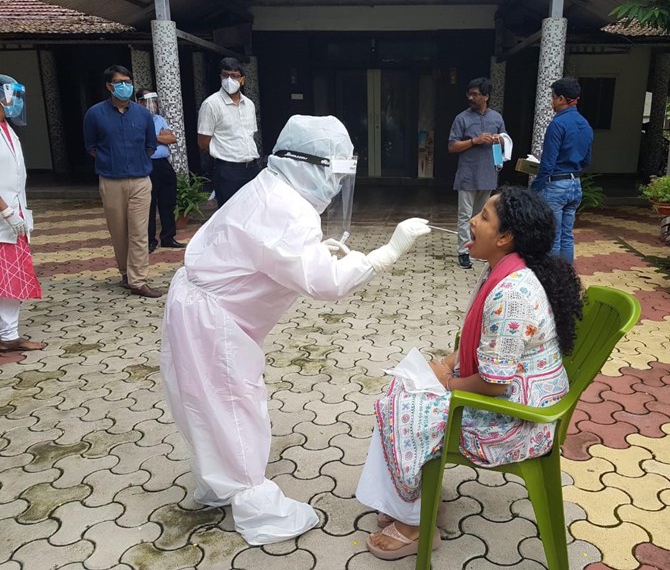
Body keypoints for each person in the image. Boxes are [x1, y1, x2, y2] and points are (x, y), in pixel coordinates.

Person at [160, 115, 430, 546]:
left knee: (207, 403)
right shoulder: (287, 209)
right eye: (333, 173)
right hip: (211, 319)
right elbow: (326, 284)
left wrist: (314, 251)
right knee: (233, 405)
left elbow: (270, 252)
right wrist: (385, 254)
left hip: (199, 305)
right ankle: (257, 508)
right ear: (308, 164)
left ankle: (217, 482)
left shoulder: (272, 187)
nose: (335, 185)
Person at [356, 186, 584, 561]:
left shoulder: (512, 294)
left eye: (484, 217)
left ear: (505, 238)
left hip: (518, 420)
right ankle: (415, 502)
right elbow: (485, 349)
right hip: (514, 396)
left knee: (401, 409)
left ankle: (415, 525)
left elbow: (493, 384)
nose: (472, 221)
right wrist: (447, 365)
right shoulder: (504, 271)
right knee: (402, 388)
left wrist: (446, 382)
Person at [83, 65, 160, 298]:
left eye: (128, 82)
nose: (125, 86)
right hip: (111, 181)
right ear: (109, 86)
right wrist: (112, 161)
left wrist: (135, 161)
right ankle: (126, 273)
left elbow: (150, 146)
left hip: (140, 180)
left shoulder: (142, 114)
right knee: (118, 232)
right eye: (120, 83)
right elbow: (91, 147)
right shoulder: (95, 114)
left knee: (139, 231)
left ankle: (138, 280)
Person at [0, 74, 44, 353]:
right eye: (11, 96)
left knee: (10, 278)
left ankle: (8, 334)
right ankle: (8, 336)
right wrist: (6, 212)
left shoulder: (8, 129)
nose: (15, 102)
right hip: (4, 217)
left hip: (13, 217)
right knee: (7, 278)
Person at [529, 77, 593, 266]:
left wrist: (534, 189)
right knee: (567, 235)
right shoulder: (585, 124)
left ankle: (553, 277)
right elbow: (587, 160)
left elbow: (548, 164)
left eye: (553, 97)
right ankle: (566, 276)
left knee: (553, 236)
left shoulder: (557, 124)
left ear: (562, 99)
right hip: (575, 185)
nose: (552, 101)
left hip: (556, 184)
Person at [448, 77, 507, 270]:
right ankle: (463, 252)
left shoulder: (496, 118)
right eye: (469, 94)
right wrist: (475, 141)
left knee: (483, 215)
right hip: (467, 174)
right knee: (465, 215)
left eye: (476, 94)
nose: (471, 98)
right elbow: (452, 146)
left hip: (488, 173)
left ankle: (479, 248)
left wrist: (499, 140)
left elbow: (504, 141)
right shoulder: (462, 118)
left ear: (486, 96)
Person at [197, 57, 260, 208]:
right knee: (230, 214)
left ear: (242, 79)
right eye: (225, 75)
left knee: (253, 213)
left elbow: (250, 135)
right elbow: (203, 142)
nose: (229, 80)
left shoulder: (249, 104)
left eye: (234, 76)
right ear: (220, 77)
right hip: (227, 171)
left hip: (251, 168)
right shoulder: (211, 104)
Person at [135, 89, 185, 253]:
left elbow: (171, 138)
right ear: (140, 102)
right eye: (149, 101)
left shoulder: (159, 119)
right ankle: (150, 240)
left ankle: (168, 237)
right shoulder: (136, 119)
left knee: (168, 201)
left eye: (155, 101)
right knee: (149, 204)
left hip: (163, 163)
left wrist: (153, 137)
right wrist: (159, 137)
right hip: (147, 163)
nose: (153, 105)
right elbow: (140, 141)